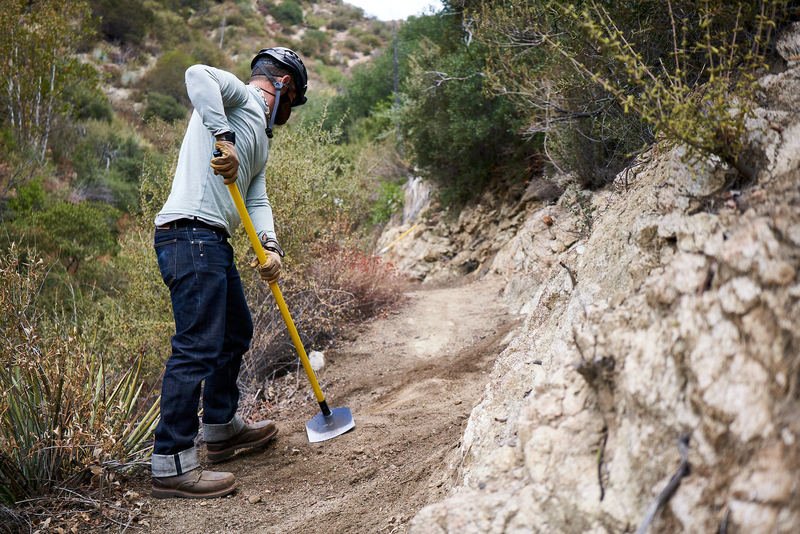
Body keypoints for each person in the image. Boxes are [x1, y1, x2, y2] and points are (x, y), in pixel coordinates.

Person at [150, 47, 308, 499]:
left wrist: (271, 246)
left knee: (236, 331)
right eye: (292, 99)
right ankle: (172, 464)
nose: (289, 111)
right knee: (197, 347)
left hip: (211, 242)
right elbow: (195, 71)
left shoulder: (259, 138)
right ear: (281, 86)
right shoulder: (240, 99)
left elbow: (256, 200)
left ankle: (221, 428)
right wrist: (224, 136)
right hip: (187, 234)